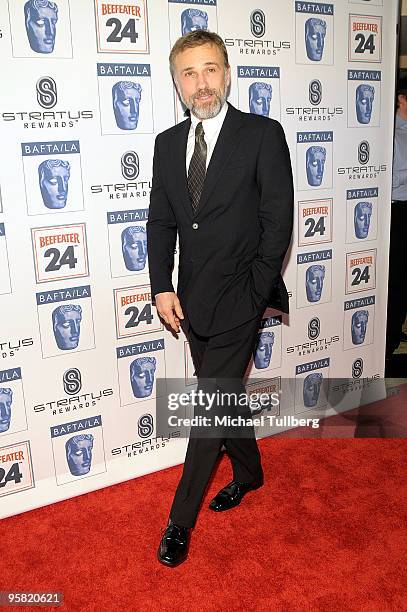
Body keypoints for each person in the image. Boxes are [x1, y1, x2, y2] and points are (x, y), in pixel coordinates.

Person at [146, 30, 293, 567]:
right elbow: (161, 222)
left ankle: (178, 521)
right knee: (226, 396)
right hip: (190, 302)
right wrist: (161, 285)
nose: (201, 83)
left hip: (241, 299)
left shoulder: (261, 134)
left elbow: (277, 222)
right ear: (177, 83)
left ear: (227, 74)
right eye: (189, 73)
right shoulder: (166, 144)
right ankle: (251, 474)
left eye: (210, 69)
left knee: (208, 409)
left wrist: (255, 294)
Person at [386, 80, 407, 357]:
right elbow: (385, 180)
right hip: (395, 212)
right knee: (395, 279)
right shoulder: (387, 134)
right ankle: (388, 342)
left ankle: (396, 329)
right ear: (402, 99)